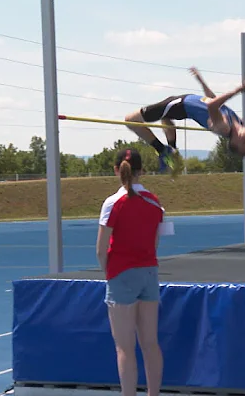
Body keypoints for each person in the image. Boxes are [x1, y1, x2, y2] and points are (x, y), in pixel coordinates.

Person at [96, 148, 165, 396]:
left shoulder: (113, 203)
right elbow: (155, 242)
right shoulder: (155, 202)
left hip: (121, 273)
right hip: (148, 272)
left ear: (117, 170)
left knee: (125, 348)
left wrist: (110, 273)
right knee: (150, 343)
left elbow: (101, 248)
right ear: (141, 171)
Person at [123, 67, 245, 174]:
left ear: (234, 140)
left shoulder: (223, 127)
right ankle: (172, 149)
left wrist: (238, 90)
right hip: (182, 103)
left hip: (179, 105)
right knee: (165, 119)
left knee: (130, 120)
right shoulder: (238, 121)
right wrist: (201, 81)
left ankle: (162, 150)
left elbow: (212, 105)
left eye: (244, 141)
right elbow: (213, 99)